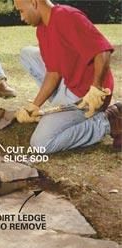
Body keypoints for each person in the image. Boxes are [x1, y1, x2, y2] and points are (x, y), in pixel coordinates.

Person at [14, 0, 122, 153]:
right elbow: (53, 73)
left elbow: (102, 51)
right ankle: (61, 106)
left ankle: (108, 121)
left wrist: (96, 89)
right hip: (69, 83)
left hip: (88, 95)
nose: (21, 18)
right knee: (27, 53)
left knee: (41, 144)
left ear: (34, 2)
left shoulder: (67, 17)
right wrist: (34, 106)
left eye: (21, 11)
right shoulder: (42, 29)